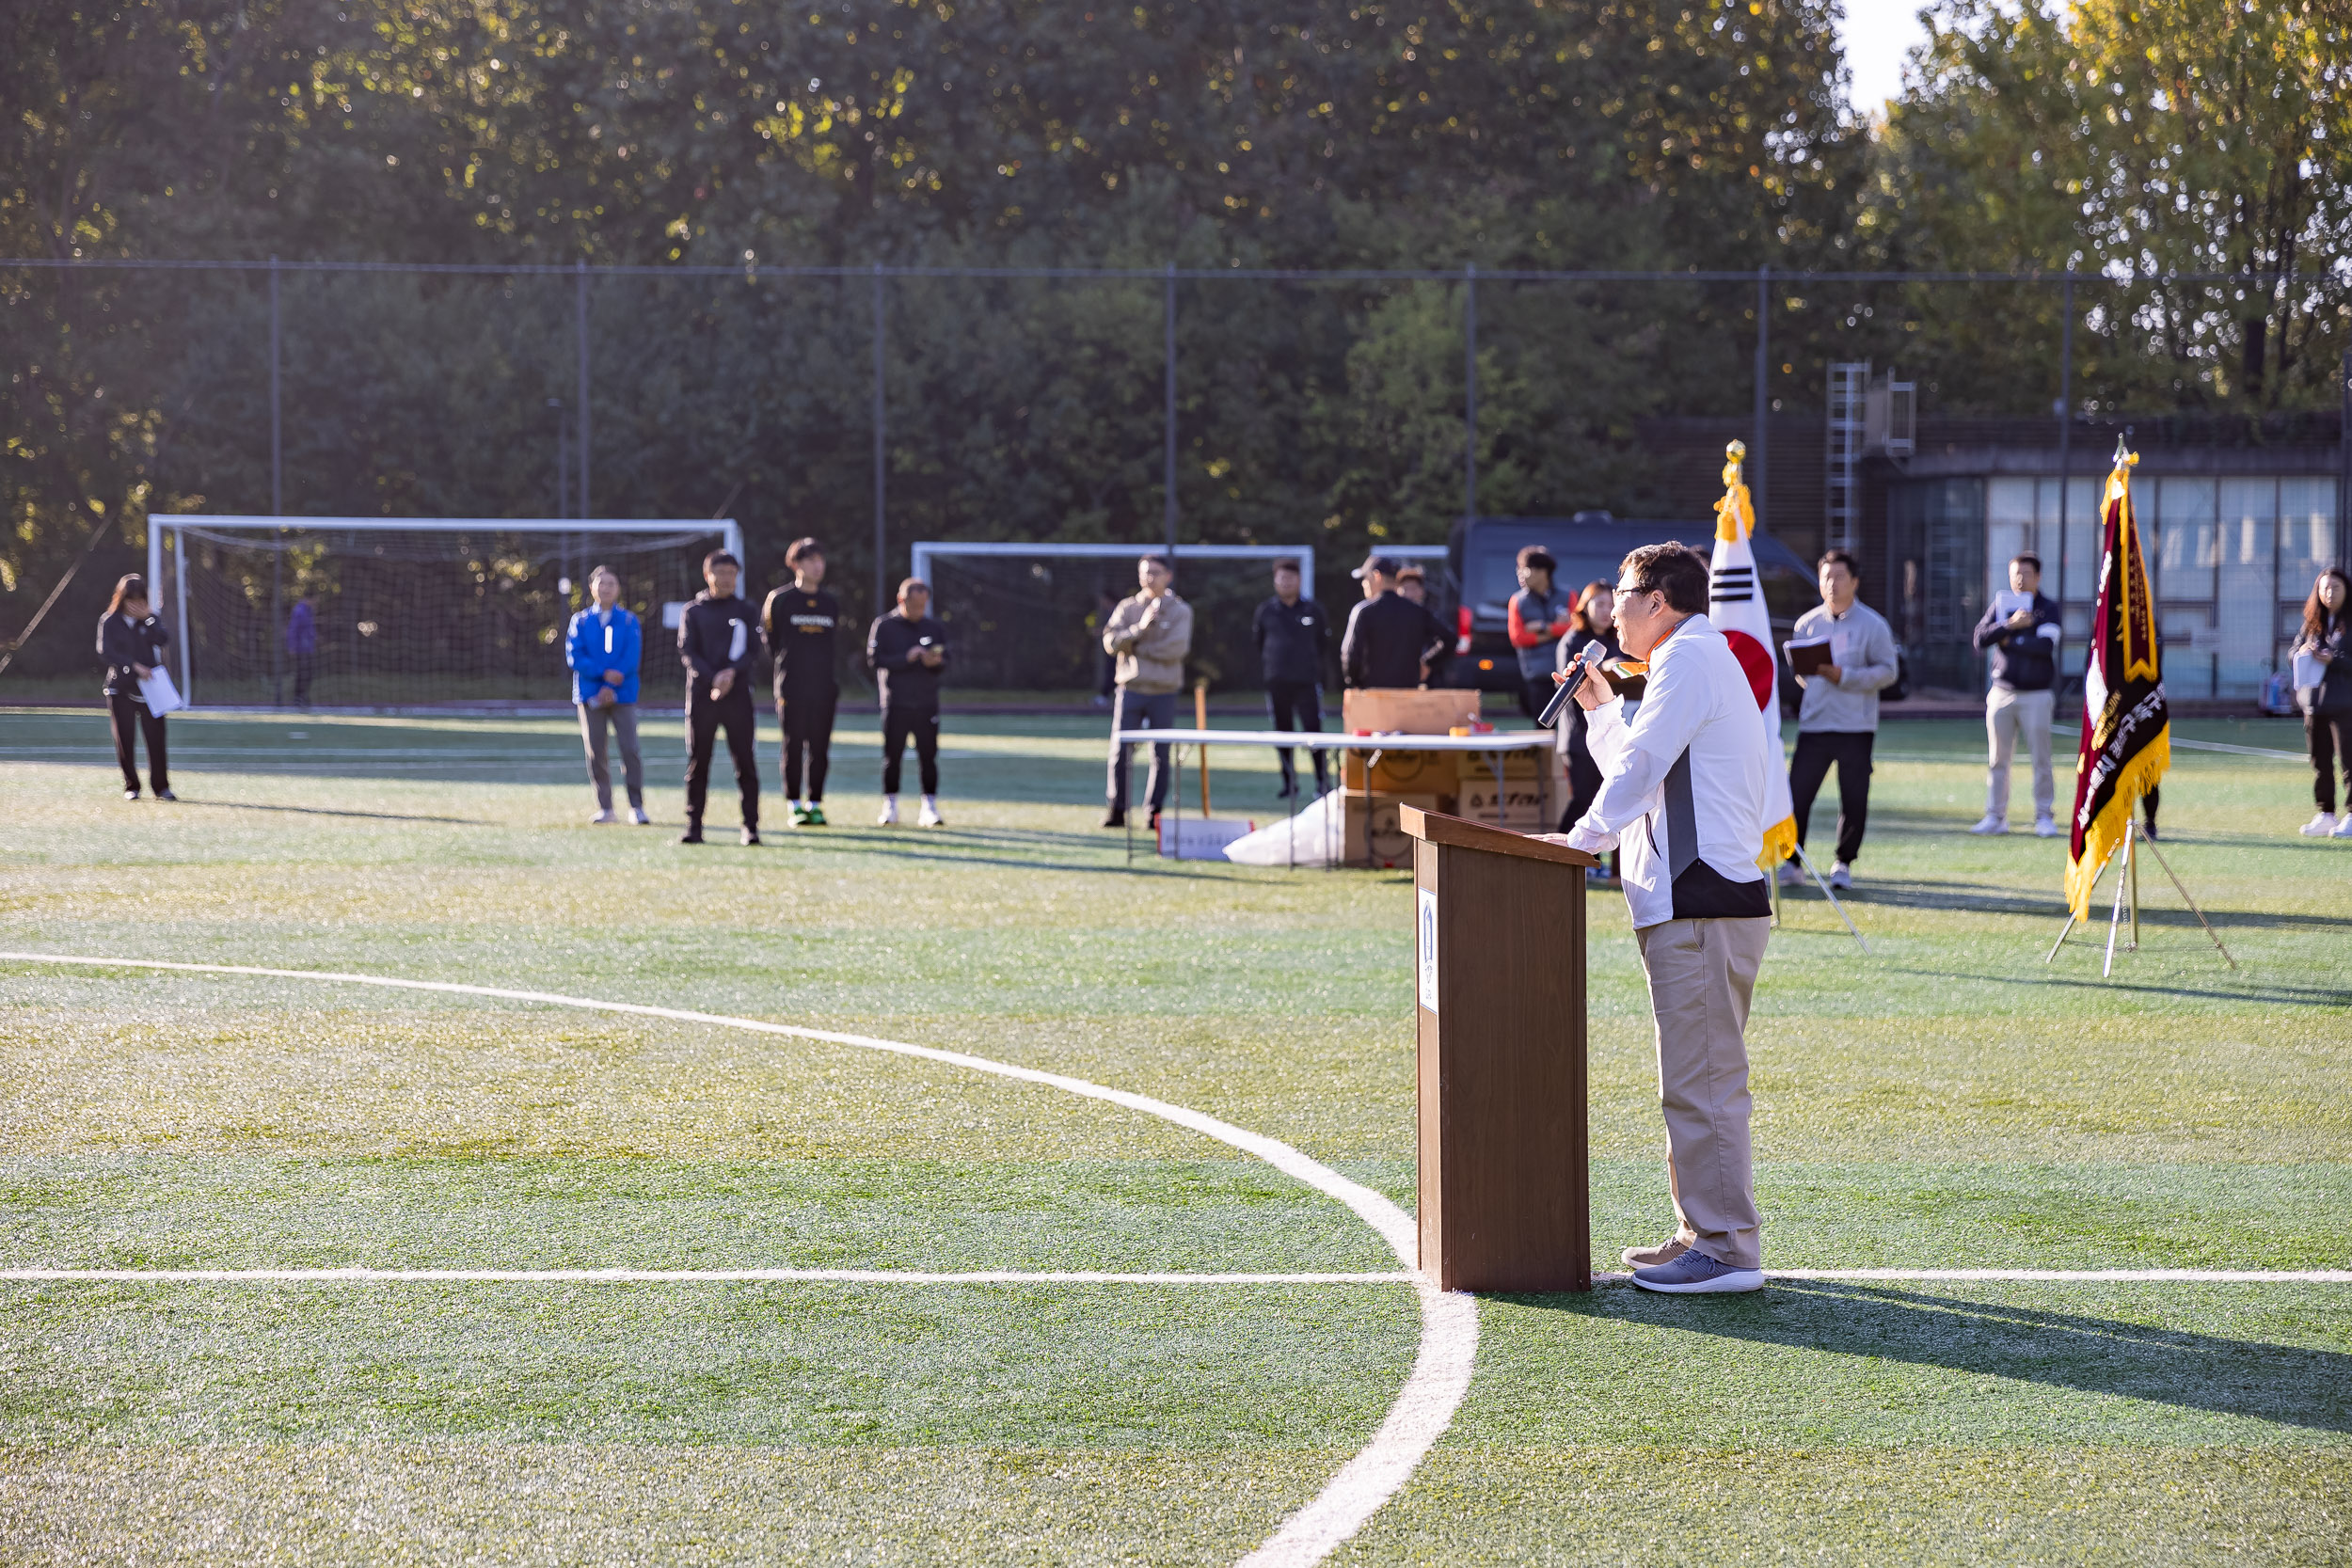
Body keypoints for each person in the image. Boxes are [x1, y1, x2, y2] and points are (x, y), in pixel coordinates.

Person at [1553, 544, 1773, 1294]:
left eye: (1620, 592)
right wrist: (1602, 710)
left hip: (1703, 900)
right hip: (1688, 900)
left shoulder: (1690, 658)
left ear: (1658, 599)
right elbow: (1642, 771)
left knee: (1704, 1078)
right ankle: (1700, 1230)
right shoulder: (1684, 662)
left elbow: (1641, 772)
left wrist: (1580, 839)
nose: (1610, 607)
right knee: (1691, 1076)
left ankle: (1726, 1247)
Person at [1782, 549, 1899, 890]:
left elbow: (1888, 672)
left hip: (1855, 727)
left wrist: (1843, 676)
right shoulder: (1807, 623)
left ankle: (1843, 863)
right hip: (1814, 724)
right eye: (1826, 577)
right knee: (1797, 797)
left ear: (1855, 581)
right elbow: (1802, 674)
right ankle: (1792, 863)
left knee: (1854, 799)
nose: (1832, 584)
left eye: (1839, 576)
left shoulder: (1873, 624)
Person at [1969, 551, 2063, 837]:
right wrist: (2008, 626)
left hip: (2036, 695)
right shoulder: (2002, 605)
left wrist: (2013, 639)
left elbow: (2045, 646)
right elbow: (1980, 639)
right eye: (2014, 574)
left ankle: (2044, 816)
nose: (2019, 580)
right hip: (2001, 693)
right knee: (1998, 759)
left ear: (2038, 576)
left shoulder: (2047, 608)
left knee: (2041, 758)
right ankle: (1995, 816)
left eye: (2025, 574)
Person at [1101, 555, 1193, 830]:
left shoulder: (1180, 611)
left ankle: (1154, 812)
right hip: (1131, 688)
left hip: (1163, 691)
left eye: (1155, 572)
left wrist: (1138, 648)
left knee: (1161, 754)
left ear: (1168, 576)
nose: (1149, 578)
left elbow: (1176, 649)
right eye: (1144, 573)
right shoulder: (1128, 608)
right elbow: (1111, 642)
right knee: (1120, 751)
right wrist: (1138, 630)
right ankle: (1117, 809)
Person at [676, 549, 761, 846]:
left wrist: (730, 675)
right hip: (702, 697)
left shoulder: (747, 610)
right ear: (707, 575)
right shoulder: (693, 611)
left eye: (731, 573)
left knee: (745, 762)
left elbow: (754, 650)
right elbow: (688, 652)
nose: (726, 579)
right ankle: (694, 826)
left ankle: (751, 827)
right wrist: (714, 677)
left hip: (738, 696)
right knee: (699, 761)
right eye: (720, 572)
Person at [762, 537, 842, 827]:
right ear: (795, 564)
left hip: (824, 688)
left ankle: (816, 803)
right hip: (791, 686)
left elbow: (833, 645)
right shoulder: (780, 599)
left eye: (820, 560)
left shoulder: (830, 602)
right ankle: (794, 804)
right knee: (793, 745)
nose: (817, 566)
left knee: (820, 747)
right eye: (810, 560)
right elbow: (771, 643)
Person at [564, 565, 648, 825]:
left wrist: (612, 687)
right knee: (596, 752)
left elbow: (631, 658)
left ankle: (636, 806)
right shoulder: (580, 620)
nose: (606, 588)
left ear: (618, 588)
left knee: (630, 749)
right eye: (601, 583)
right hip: (590, 695)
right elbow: (574, 656)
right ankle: (606, 808)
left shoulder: (628, 620)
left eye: (611, 583)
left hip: (622, 695)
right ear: (592, 588)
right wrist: (602, 678)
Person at [867, 577, 950, 826]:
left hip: (926, 702)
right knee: (892, 756)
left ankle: (929, 807)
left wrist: (935, 662)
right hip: (896, 702)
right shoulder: (884, 625)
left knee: (928, 756)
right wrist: (907, 657)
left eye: (923, 605)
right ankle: (890, 806)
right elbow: (875, 660)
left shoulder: (933, 627)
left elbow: (947, 659)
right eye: (915, 605)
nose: (919, 611)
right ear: (901, 600)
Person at [1252, 557, 1332, 800]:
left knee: (1313, 733)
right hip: (1277, 684)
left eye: (1290, 578)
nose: (1286, 582)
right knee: (1282, 734)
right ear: (1275, 581)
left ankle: (1322, 783)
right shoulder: (1266, 611)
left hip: (1307, 683)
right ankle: (1289, 784)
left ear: (1299, 580)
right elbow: (1258, 643)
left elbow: (1323, 644)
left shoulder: (1313, 610)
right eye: (1281, 578)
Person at [1554, 581, 1621, 863]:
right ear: (1585, 605)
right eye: (1600, 603)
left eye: (1611, 604)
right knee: (1583, 798)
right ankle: (1560, 851)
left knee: (1612, 798)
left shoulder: (1619, 640)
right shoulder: (1573, 640)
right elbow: (1568, 690)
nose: (1607, 611)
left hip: (1612, 729)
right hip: (1579, 735)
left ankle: (1602, 864)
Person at [98, 574, 174, 801]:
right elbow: (106, 652)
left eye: (141, 599)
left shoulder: (150, 620)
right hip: (120, 688)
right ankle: (132, 786)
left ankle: (161, 787)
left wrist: (149, 618)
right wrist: (133, 666)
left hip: (150, 688)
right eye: (131, 600)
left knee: (157, 738)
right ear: (121, 599)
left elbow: (162, 639)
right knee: (125, 738)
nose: (136, 605)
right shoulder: (110, 621)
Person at [2292, 566, 2352, 838]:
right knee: (2320, 762)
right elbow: (2292, 651)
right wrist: (2301, 652)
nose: (2329, 593)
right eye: (2325, 588)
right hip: (2314, 705)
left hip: (2345, 704)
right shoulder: (2312, 623)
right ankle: (2326, 813)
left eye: (2335, 587)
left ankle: (2351, 814)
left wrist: (2334, 660)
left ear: (2346, 590)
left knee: (2349, 760)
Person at [1340, 553, 1446, 689]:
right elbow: (1450, 639)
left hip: (1372, 695)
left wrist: (1355, 683)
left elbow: (1350, 656)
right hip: (1407, 694)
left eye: (1365, 578)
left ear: (1376, 576)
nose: (1363, 583)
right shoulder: (1417, 611)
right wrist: (1427, 662)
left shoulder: (1363, 611)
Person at [1506, 545, 1574, 720]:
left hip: (1567, 672)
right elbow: (1518, 638)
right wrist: (1557, 629)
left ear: (1542, 572)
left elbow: (1575, 628)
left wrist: (1543, 627)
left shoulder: (1568, 595)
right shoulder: (1517, 601)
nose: (1520, 573)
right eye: (1518, 569)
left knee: (1570, 724)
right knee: (1543, 723)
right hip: (1537, 675)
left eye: (1525, 569)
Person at [286, 593, 317, 708]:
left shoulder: (309, 611)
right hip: (300, 648)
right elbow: (293, 630)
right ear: (309, 598)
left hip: (308, 648)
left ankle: (304, 696)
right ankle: (298, 697)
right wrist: (292, 646)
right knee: (301, 673)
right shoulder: (299, 611)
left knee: (308, 673)